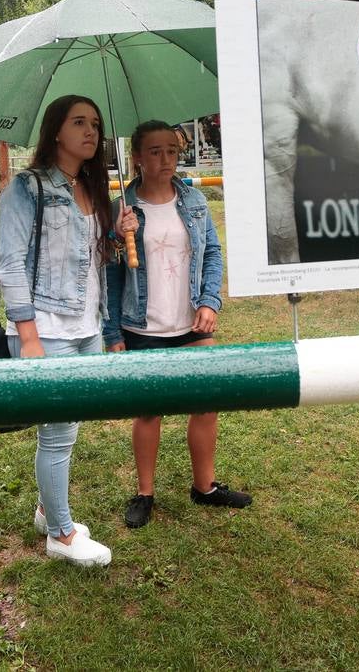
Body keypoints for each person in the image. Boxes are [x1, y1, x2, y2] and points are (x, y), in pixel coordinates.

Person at [0, 93, 137, 567]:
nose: (91, 131)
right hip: (45, 328)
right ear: (56, 130)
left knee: (68, 425)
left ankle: (44, 509)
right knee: (57, 433)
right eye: (79, 122)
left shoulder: (94, 192)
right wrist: (29, 337)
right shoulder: (27, 188)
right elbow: (10, 264)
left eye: (95, 123)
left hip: (86, 324)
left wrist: (117, 234)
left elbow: (93, 264)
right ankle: (61, 534)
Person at [105, 120, 251, 529]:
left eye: (171, 150)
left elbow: (213, 253)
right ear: (136, 156)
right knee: (149, 412)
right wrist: (113, 332)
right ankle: (145, 493)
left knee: (205, 405)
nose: (166, 158)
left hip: (191, 323)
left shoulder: (194, 201)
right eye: (155, 151)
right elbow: (109, 274)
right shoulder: (123, 211)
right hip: (143, 327)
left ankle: (204, 487)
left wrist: (209, 301)